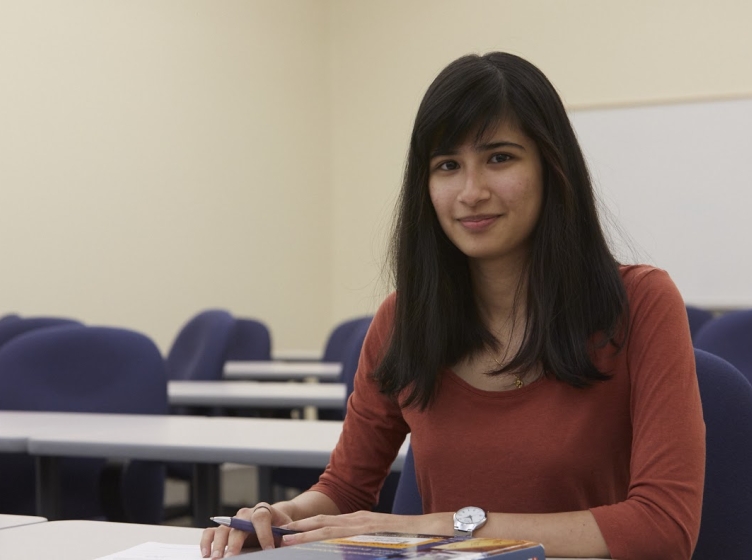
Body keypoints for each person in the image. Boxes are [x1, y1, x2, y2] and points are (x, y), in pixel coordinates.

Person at [201, 52, 705, 560]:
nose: (471, 191)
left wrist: (443, 527)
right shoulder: (403, 322)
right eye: (447, 166)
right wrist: (283, 517)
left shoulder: (641, 304)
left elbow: (663, 529)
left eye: (500, 158)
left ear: (553, 167)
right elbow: (347, 491)